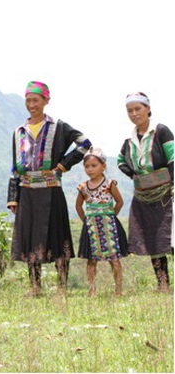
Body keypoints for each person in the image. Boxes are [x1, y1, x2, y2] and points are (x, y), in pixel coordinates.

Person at [7, 81, 92, 296]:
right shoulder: (19, 131)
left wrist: (64, 163)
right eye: (28, 100)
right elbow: (14, 167)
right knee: (30, 237)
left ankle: (62, 287)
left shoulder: (59, 126)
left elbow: (84, 143)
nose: (31, 104)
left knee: (57, 235)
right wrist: (13, 196)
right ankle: (35, 287)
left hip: (52, 188)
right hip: (27, 191)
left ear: (46, 101)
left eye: (36, 100)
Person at [118, 92, 173, 292]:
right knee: (153, 238)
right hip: (143, 195)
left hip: (166, 193)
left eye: (138, 109)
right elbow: (120, 161)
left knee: (170, 236)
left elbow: (172, 159)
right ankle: (163, 283)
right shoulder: (129, 139)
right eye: (130, 110)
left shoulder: (161, 132)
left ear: (148, 109)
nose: (134, 114)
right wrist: (135, 175)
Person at [75, 147, 128, 297]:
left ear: (103, 166)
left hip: (109, 225)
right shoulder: (83, 187)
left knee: (114, 259)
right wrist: (85, 220)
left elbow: (119, 202)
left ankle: (118, 290)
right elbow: (78, 205)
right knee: (91, 260)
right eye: (87, 166)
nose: (90, 169)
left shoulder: (110, 184)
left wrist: (111, 216)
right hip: (91, 226)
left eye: (94, 166)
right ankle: (92, 291)